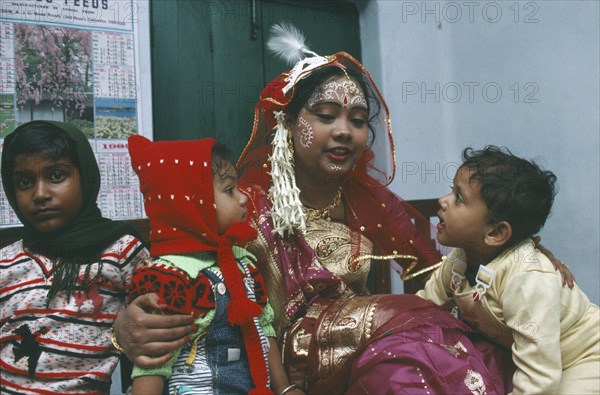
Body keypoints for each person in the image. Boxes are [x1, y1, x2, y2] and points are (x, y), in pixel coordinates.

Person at [111, 24, 572, 394]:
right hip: (285, 360)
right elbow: (184, 284)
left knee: (444, 352)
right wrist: (124, 329)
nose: (346, 132)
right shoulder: (244, 205)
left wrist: (523, 257)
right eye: (326, 115)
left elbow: (446, 272)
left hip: (371, 349)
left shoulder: (370, 201)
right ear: (288, 125)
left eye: (356, 120)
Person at [125, 135, 303, 395]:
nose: (243, 198)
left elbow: (263, 331)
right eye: (230, 190)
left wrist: (285, 389)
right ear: (192, 205)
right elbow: (152, 362)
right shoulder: (169, 277)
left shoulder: (242, 262)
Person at [417, 146, 600, 394]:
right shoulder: (460, 259)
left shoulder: (527, 279)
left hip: (583, 358)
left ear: (495, 233)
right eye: (452, 191)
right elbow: (422, 308)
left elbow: (539, 381)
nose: (443, 200)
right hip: (535, 358)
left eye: (459, 198)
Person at [0, 121, 149, 394]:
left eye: (56, 175)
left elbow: (151, 343)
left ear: (86, 176)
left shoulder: (121, 252)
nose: (40, 194)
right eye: (24, 182)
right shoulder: (5, 263)